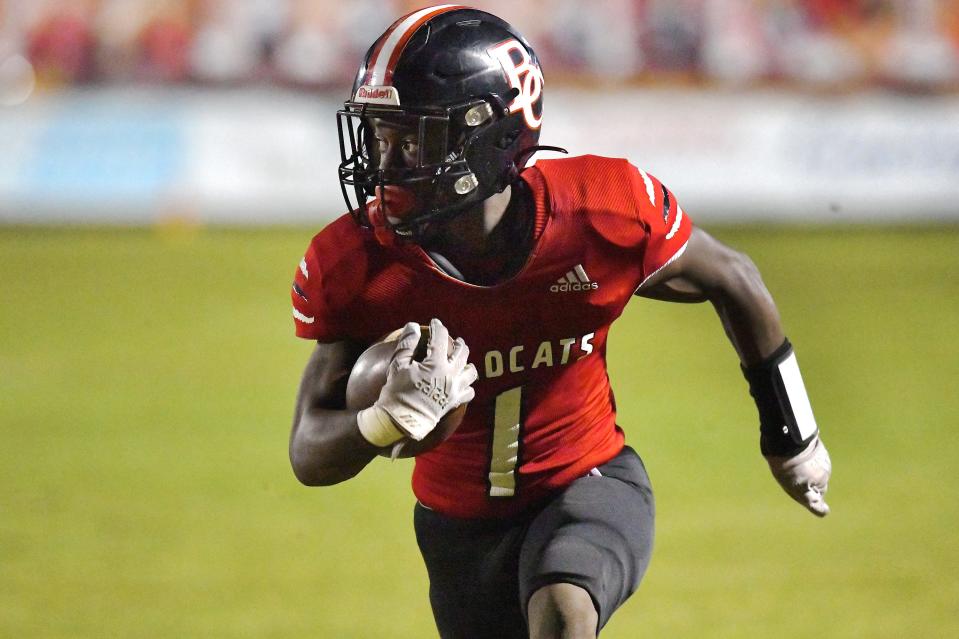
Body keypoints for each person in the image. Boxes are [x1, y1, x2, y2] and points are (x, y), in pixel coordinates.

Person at [288, 6, 832, 638]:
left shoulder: (601, 211)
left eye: (412, 137)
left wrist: (793, 436)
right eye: (380, 136)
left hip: (590, 481)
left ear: (485, 135)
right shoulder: (360, 265)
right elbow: (308, 450)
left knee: (563, 612)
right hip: (456, 526)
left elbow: (734, 278)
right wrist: (381, 423)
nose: (386, 162)